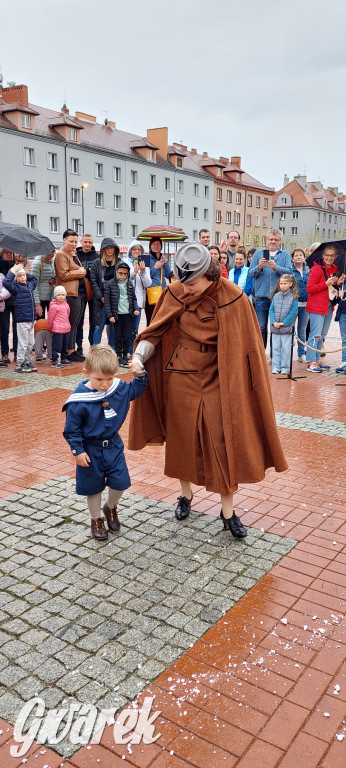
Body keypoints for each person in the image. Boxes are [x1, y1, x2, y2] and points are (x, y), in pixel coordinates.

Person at [128, 242, 287, 538]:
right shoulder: (177, 291)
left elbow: (248, 348)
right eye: (183, 282)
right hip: (181, 375)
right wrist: (138, 357)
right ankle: (185, 496)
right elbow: (156, 330)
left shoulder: (234, 297)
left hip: (219, 377)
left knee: (222, 441)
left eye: (192, 284)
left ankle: (228, 513)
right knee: (182, 439)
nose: (186, 289)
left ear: (210, 275)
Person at [62, 345, 148, 540]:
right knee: (93, 487)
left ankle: (110, 507)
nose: (105, 384)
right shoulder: (78, 400)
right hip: (90, 449)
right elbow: (72, 429)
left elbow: (136, 389)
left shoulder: (117, 389)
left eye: (109, 378)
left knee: (120, 481)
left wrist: (139, 373)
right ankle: (96, 519)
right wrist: (77, 450)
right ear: (87, 373)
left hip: (113, 446)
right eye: (99, 379)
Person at [248, 229, 292, 349]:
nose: (273, 241)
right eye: (271, 239)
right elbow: (250, 273)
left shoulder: (285, 255)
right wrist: (259, 267)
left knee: (276, 327)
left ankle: (275, 355)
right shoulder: (258, 254)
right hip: (261, 296)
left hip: (279, 297)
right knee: (261, 326)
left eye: (276, 239)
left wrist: (276, 268)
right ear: (266, 240)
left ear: (279, 241)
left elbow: (290, 272)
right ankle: (261, 353)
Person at [306, 246, 344, 373]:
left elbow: (332, 289)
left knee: (322, 335)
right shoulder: (316, 269)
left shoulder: (335, 269)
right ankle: (311, 362)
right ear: (323, 255)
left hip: (329, 305)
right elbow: (310, 289)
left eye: (332, 255)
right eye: (327, 255)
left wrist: (337, 283)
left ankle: (317, 360)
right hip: (316, 306)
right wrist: (326, 283)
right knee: (315, 335)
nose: (329, 258)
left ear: (336, 257)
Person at [54, 229, 86, 362]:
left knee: (76, 323)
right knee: (72, 323)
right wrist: (81, 272)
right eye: (71, 241)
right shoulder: (61, 254)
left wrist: (80, 271)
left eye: (75, 241)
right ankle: (69, 351)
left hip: (79, 292)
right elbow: (63, 275)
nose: (74, 244)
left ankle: (72, 349)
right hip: (70, 293)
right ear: (64, 240)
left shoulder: (73, 254)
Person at [104, 261, 139, 368]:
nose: (123, 276)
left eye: (125, 274)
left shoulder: (129, 284)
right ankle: (119, 356)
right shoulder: (110, 284)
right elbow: (107, 302)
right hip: (117, 315)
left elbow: (133, 299)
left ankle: (125, 355)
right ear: (116, 272)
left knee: (127, 336)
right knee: (118, 336)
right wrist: (110, 316)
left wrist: (135, 309)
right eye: (120, 273)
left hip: (128, 315)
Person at [3, 265, 38, 373]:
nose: (23, 277)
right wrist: (14, 271)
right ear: (16, 278)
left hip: (31, 319)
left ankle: (27, 362)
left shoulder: (29, 286)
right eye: (20, 276)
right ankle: (20, 364)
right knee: (23, 343)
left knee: (31, 343)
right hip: (22, 320)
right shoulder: (15, 288)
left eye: (24, 276)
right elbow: (6, 282)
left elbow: (34, 279)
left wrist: (22, 271)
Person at [90, 238, 120, 349]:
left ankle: (112, 351)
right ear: (103, 249)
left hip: (114, 300)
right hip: (100, 301)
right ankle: (95, 352)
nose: (109, 250)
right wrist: (101, 296)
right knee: (99, 326)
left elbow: (122, 280)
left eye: (112, 248)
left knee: (113, 327)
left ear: (115, 249)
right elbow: (93, 281)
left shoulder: (119, 262)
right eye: (107, 248)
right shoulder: (96, 263)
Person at [123, 240, 151, 354]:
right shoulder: (125, 262)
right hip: (125, 300)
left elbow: (148, 283)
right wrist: (133, 274)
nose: (137, 251)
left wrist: (143, 272)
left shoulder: (144, 264)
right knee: (125, 327)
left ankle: (132, 350)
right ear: (130, 251)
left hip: (137, 301)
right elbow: (122, 280)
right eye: (134, 249)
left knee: (135, 327)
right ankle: (125, 350)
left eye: (139, 249)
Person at [269, 275, 298, 374]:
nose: (282, 285)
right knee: (275, 348)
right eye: (281, 283)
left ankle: (285, 367)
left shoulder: (293, 297)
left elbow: (294, 312)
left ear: (290, 284)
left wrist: (283, 323)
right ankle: (276, 367)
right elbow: (271, 310)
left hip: (287, 328)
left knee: (286, 349)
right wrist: (273, 322)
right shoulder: (276, 296)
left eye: (285, 283)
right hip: (275, 327)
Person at [76, 234, 99, 355]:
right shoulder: (75, 256)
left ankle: (92, 345)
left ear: (92, 243)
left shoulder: (97, 257)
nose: (87, 244)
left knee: (94, 320)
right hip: (80, 291)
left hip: (94, 292)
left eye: (90, 242)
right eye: (85, 242)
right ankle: (79, 346)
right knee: (79, 320)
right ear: (81, 242)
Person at [145, 237, 171, 326]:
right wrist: (155, 268)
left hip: (162, 291)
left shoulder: (162, 258)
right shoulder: (146, 258)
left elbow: (169, 275)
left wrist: (166, 263)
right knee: (151, 319)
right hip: (151, 292)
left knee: (161, 319)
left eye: (159, 244)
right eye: (154, 244)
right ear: (150, 246)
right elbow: (144, 277)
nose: (156, 246)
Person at [291, 249, 309, 362]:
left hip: (305, 305)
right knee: (290, 329)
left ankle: (301, 354)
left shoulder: (308, 270)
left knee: (302, 330)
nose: (298, 257)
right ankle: (288, 353)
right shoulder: (290, 271)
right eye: (296, 255)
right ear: (292, 258)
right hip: (293, 304)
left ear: (304, 258)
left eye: (300, 255)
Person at [47, 286, 72, 368]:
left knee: (65, 345)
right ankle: (55, 360)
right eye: (58, 295)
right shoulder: (53, 306)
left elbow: (68, 315)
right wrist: (50, 327)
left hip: (66, 328)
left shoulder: (66, 305)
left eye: (63, 295)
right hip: (57, 330)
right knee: (57, 346)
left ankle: (63, 358)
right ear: (55, 296)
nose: (61, 296)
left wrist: (68, 326)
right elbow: (50, 318)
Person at [0, 249, 17, 362]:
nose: (9, 254)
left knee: (17, 329)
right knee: (4, 328)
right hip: (4, 302)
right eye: (7, 252)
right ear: (2, 254)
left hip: (16, 300)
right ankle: (5, 353)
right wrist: (9, 274)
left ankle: (17, 353)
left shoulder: (17, 264)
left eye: (11, 252)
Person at [31, 250, 56, 319]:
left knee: (53, 322)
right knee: (41, 323)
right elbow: (34, 284)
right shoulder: (37, 263)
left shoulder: (54, 261)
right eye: (48, 251)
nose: (51, 253)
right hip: (40, 298)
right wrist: (37, 304)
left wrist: (54, 280)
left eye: (53, 251)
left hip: (52, 297)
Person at [335, 276, 346, 373]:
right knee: (344, 339)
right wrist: (339, 295)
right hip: (343, 314)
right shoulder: (342, 283)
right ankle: (344, 362)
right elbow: (337, 300)